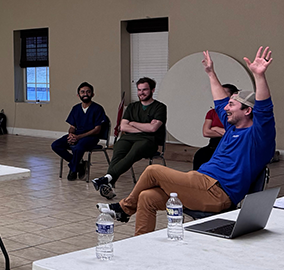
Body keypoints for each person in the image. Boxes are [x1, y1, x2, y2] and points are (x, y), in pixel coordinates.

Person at [105, 48, 276, 236]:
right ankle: (141, 246)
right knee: (147, 197)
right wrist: (211, 73)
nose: (225, 107)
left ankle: (124, 208)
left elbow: (264, 110)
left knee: (153, 170)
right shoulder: (231, 128)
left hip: (217, 192)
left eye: (232, 104)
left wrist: (259, 76)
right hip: (200, 184)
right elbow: (219, 99)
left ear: (248, 111)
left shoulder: (259, 137)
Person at [91, 77, 167, 199]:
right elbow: (123, 126)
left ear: (152, 90)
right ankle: (109, 182)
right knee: (118, 149)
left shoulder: (160, 107)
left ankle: (107, 178)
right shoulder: (132, 106)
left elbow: (153, 129)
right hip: (129, 138)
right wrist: (143, 127)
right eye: (139, 90)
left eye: (145, 90)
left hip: (149, 141)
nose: (141, 93)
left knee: (133, 153)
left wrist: (133, 123)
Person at [51, 82, 109, 180]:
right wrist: (71, 135)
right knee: (56, 145)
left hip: (91, 137)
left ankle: (73, 169)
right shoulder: (75, 108)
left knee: (78, 147)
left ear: (92, 94)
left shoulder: (97, 109)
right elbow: (72, 126)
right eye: (82, 92)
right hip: (77, 135)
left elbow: (97, 130)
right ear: (78, 95)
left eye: (88, 92)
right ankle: (79, 165)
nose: (85, 94)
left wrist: (78, 137)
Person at [194, 84, 239, 170]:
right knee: (200, 155)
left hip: (229, 146)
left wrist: (215, 128)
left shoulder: (236, 114)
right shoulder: (212, 112)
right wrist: (224, 132)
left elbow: (233, 133)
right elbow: (206, 132)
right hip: (213, 145)